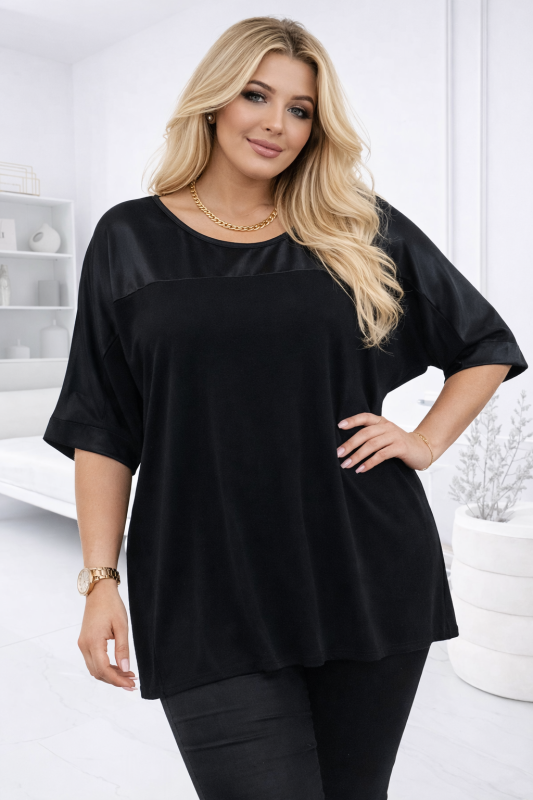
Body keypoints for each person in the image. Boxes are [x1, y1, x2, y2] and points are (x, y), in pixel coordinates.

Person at [43, 16, 527, 800]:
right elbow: (102, 421)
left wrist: (424, 441)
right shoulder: (128, 237)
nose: (276, 123)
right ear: (212, 102)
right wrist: (100, 578)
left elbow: (484, 342)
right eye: (255, 96)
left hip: (361, 569)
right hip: (202, 587)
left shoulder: (356, 227)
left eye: (300, 109)